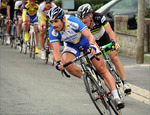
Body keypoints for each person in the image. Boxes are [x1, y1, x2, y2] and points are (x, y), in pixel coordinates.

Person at [47, 7, 124, 109]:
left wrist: (92, 45)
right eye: (51, 22)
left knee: (101, 69)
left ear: (63, 19)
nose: (54, 25)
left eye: (56, 21)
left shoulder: (73, 21)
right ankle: (87, 78)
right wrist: (58, 63)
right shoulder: (52, 31)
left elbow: (90, 36)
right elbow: (56, 52)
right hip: (71, 45)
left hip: (86, 41)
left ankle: (116, 96)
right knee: (66, 63)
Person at [77, 3, 131, 95]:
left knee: (114, 58)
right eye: (81, 18)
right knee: (94, 64)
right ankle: (99, 83)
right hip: (93, 43)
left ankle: (125, 83)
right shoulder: (81, 25)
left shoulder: (99, 17)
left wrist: (114, 43)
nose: (83, 20)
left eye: (85, 17)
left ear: (91, 15)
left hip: (104, 39)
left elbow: (109, 31)